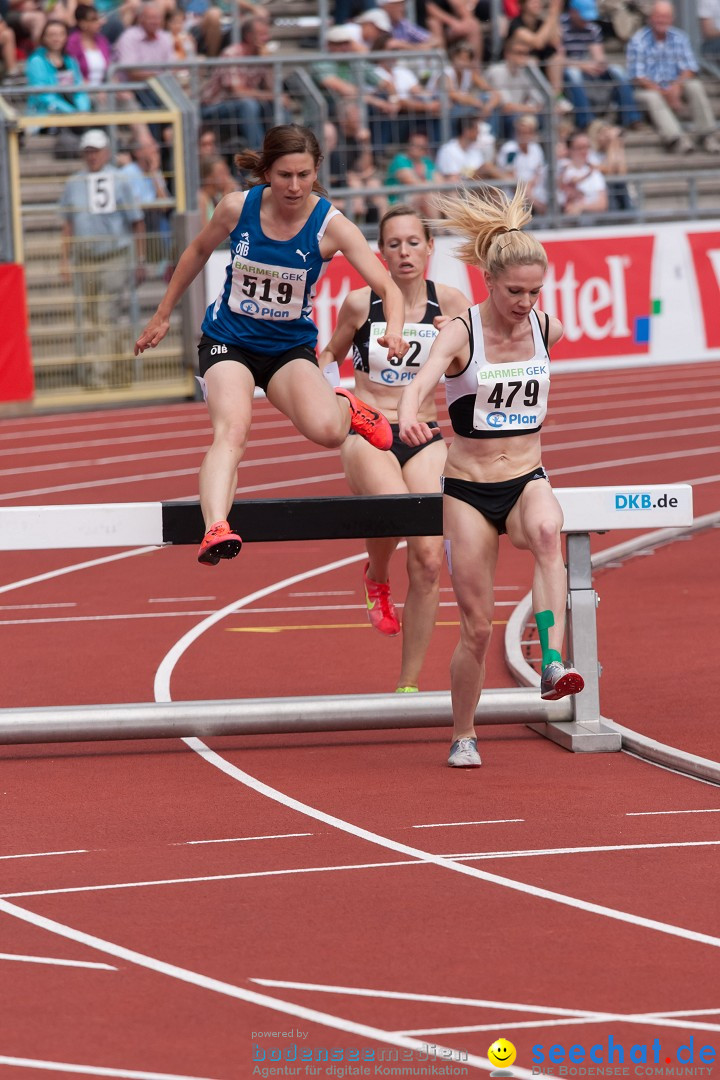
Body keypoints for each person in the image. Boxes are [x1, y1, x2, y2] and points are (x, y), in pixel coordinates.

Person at [134, 124, 408, 567]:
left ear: (316, 169)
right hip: (229, 341)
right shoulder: (236, 208)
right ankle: (216, 525)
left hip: (288, 350)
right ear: (266, 172)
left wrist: (393, 327)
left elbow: (387, 286)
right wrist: (163, 313)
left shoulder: (331, 226)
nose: (294, 186)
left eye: (303, 174)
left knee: (327, 432)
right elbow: (197, 251)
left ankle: (348, 407)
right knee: (232, 430)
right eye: (284, 175)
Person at [397, 184, 585, 768]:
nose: (526, 302)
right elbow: (422, 379)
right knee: (477, 628)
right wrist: (407, 414)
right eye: (514, 292)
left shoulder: (546, 329)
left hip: (527, 474)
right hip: (470, 489)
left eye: (535, 291)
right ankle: (463, 732)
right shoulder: (462, 330)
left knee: (550, 533)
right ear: (488, 283)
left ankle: (551, 659)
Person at [319, 205, 471, 693]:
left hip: (423, 431)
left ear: (430, 247)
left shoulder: (452, 302)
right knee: (393, 509)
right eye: (393, 244)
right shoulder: (361, 304)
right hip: (368, 429)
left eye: (413, 243)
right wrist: (335, 400)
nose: (403, 253)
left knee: (428, 560)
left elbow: (471, 373)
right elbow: (328, 356)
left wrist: (461, 343)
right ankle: (378, 576)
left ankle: (407, 686)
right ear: (379, 251)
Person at [59, 128, 146, 388]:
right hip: (84, 258)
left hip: (114, 256)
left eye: (95, 151)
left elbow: (137, 221)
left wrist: (139, 259)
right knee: (95, 317)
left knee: (104, 314)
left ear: (106, 152)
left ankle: (99, 376)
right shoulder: (74, 182)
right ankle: (120, 368)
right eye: (88, 151)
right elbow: (68, 223)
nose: (92, 156)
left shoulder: (119, 180)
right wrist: (65, 260)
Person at [626, 1, 720, 154]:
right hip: (647, 89)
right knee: (652, 97)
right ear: (650, 18)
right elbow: (638, 76)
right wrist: (665, 92)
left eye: (665, 17)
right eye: (658, 16)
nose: (661, 21)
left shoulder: (679, 37)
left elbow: (690, 68)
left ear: (672, 19)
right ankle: (676, 138)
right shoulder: (638, 40)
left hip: (674, 85)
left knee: (694, 85)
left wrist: (676, 87)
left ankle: (707, 134)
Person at [560, 0, 642, 130]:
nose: (586, 21)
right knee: (573, 73)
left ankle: (631, 117)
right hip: (568, 70)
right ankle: (586, 120)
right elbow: (558, 59)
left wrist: (599, 64)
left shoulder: (592, 27)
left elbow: (598, 55)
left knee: (619, 72)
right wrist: (583, 66)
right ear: (573, 12)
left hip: (588, 68)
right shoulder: (560, 26)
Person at [557, 129, 608, 215]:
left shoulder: (594, 172)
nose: (584, 151)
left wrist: (581, 207)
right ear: (569, 149)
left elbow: (602, 204)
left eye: (587, 147)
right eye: (580, 148)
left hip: (590, 224)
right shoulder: (561, 167)